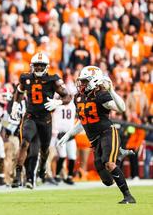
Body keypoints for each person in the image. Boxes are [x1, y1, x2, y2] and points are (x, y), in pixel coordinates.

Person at [57, 66, 136, 204]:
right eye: (81, 81)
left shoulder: (101, 95)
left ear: (94, 81)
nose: (81, 84)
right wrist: (69, 134)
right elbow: (82, 121)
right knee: (107, 180)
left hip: (107, 133)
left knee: (109, 163)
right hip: (94, 140)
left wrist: (112, 90)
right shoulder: (79, 97)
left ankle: (128, 196)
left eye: (85, 81)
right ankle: (118, 156)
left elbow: (122, 108)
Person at [10, 52, 71, 189]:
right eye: (36, 66)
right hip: (30, 116)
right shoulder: (26, 78)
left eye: (41, 66)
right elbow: (19, 91)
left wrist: (58, 102)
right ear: (32, 66)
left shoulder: (53, 80)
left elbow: (68, 97)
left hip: (45, 119)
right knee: (25, 143)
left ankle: (43, 165)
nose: (38, 69)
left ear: (46, 67)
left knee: (43, 149)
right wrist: (15, 105)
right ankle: (18, 174)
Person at [52, 98, 77, 185]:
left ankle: (69, 176)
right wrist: (55, 131)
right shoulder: (57, 104)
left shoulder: (73, 104)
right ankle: (57, 175)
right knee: (62, 155)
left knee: (72, 156)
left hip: (70, 133)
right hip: (60, 133)